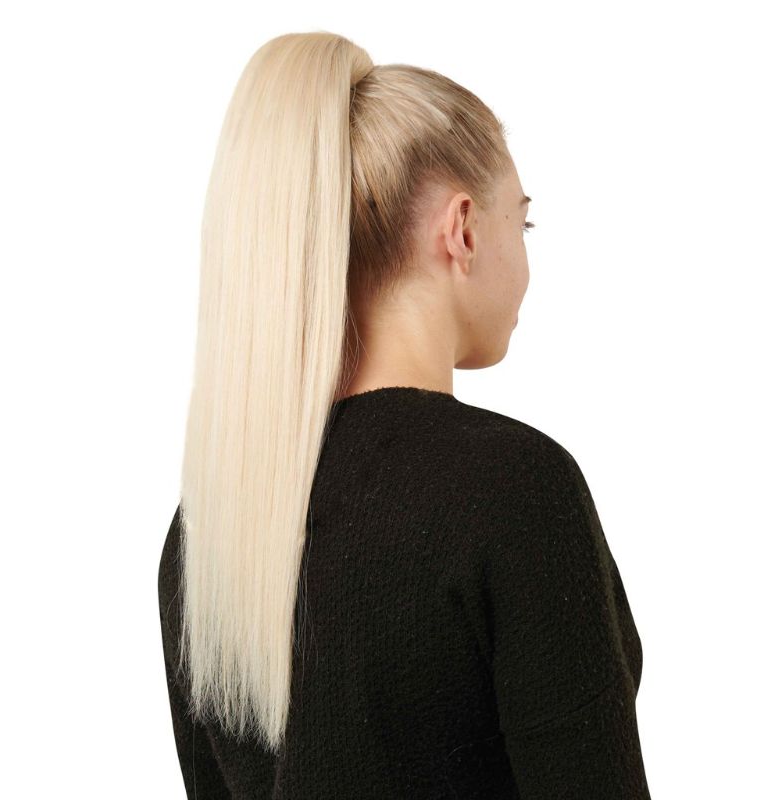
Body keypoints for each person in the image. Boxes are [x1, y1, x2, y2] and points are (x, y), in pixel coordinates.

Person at [157, 30, 652, 799]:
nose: (524, 256)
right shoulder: (512, 487)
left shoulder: (210, 530)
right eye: (522, 222)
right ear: (463, 229)